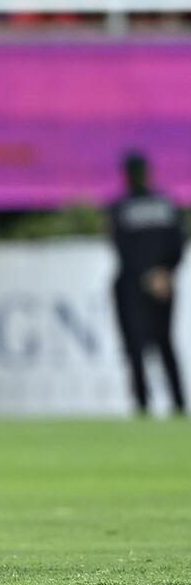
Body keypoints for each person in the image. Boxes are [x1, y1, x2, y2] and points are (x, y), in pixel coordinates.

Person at [108, 150, 186, 417]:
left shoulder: (122, 207)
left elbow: (122, 247)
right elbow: (178, 241)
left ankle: (152, 405)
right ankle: (167, 404)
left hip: (136, 285)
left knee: (146, 345)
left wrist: (153, 274)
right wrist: (163, 273)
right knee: (155, 345)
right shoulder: (164, 203)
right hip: (159, 283)